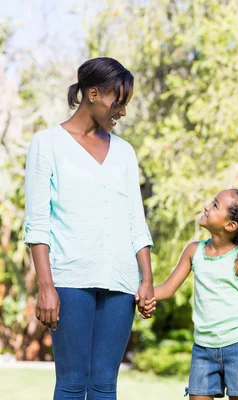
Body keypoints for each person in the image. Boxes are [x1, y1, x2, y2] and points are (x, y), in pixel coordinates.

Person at [23, 57, 154, 399]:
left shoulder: (125, 152)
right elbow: (38, 224)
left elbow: (135, 221)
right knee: (72, 382)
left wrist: (147, 281)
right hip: (69, 279)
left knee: (104, 384)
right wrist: (46, 287)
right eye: (118, 102)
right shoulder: (47, 143)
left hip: (120, 281)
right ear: (92, 93)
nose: (122, 111)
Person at [141, 189, 238, 399]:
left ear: (230, 225)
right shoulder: (193, 251)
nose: (206, 206)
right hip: (203, 349)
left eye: (215, 205)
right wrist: (140, 295)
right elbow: (168, 289)